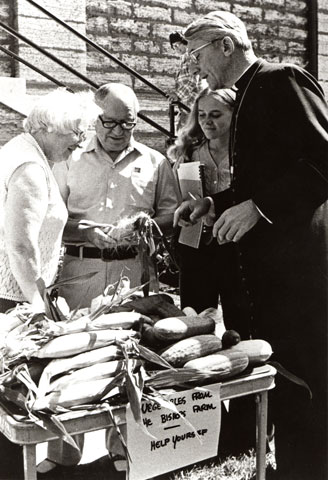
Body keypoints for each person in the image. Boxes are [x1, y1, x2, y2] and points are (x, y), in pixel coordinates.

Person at [174, 10, 328, 480]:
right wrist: (215, 205)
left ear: (226, 45)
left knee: (309, 388)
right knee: (281, 384)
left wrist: (257, 207)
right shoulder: (241, 98)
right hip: (268, 279)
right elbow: (265, 177)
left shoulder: (282, 80)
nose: (195, 67)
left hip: (301, 277)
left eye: (197, 54)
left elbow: (322, 160)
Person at [0, 88, 96, 479]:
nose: (80, 141)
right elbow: (21, 246)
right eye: (76, 132)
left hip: (12, 294)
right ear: (51, 127)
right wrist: (38, 306)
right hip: (10, 298)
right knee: (10, 401)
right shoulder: (30, 167)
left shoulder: (23, 152)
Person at [54, 82, 180, 311]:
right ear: (94, 117)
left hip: (135, 278)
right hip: (81, 278)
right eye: (110, 122)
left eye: (127, 123)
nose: (118, 131)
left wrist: (142, 227)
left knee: (137, 342)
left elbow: (174, 218)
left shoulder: (155, 162)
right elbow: (51, 221)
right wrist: (86, 231)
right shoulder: (70, 159)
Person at [167, 87, 237, 313]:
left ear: (234, 114)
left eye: (216, 115)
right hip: (197, 246)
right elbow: (181, 198)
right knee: (193, 316)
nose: (207, 121)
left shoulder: (245, 154)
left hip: (236, 246)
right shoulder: (189, 153)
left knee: (240, 319)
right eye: (202, 114)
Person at [168, 31, 203, 131]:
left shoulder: (191, 57)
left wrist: (177, 95)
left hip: (192, 105)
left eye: (178, 45)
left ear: (184, 42)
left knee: (184, 135)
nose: (176, 49)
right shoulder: (184, 59)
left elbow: (192, 81)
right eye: (173, 47)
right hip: (185, 105)